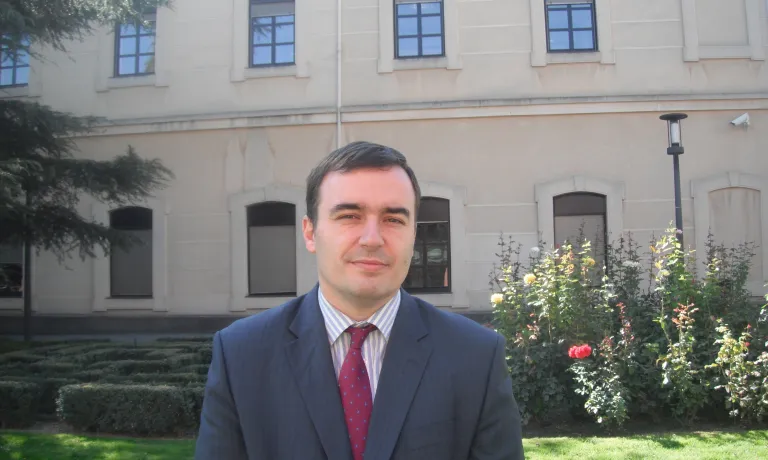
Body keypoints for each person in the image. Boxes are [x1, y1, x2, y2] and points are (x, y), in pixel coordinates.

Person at [194, 141, 524, 459]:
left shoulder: (476, 357)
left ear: (413, 234)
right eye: (350, 216)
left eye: (393, 219)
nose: (372, 239)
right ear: (310, 233)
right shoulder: (242, 355)